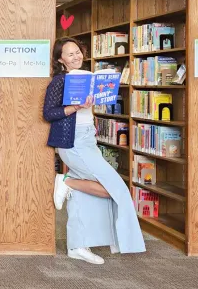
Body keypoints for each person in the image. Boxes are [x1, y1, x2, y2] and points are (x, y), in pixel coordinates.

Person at [43, 37, 146, 264]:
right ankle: (66, 181)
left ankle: (77, 245)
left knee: (83, 197)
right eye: (70, 54)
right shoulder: (60, 81)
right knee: (115, 189)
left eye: (78, 51)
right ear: (61, 59)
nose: (76, 56)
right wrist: (75, 107)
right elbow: (49, 113)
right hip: (73, 143)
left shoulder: (87, 77)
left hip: (88, 139)